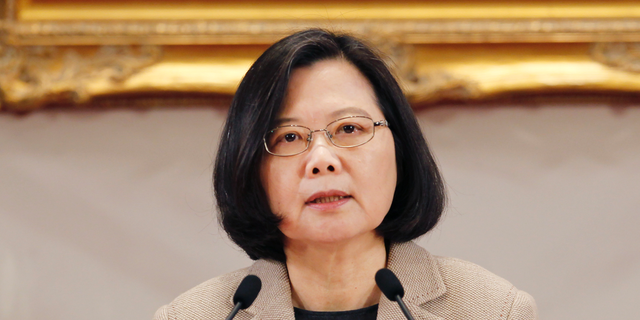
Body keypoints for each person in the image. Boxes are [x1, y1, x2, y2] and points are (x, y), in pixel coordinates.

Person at [154, 29, 537, 320]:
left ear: (399, 148)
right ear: (249, 167)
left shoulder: (493, 310)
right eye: (289, 137)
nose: (322, 160)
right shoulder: (194, 316)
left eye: (349, 129)